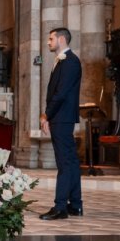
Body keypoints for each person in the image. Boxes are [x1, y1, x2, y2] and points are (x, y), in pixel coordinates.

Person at [40, 27, 83, 220]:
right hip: (62, 117)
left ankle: (60, 208)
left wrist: (46, 115)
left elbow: (61, 93)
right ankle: (75, 204)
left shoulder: (70, 62)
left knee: (65, 163)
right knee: (71, 162)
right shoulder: (63, 61)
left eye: (51, 39)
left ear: (62, 40)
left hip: (62, 117)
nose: (48, 42)